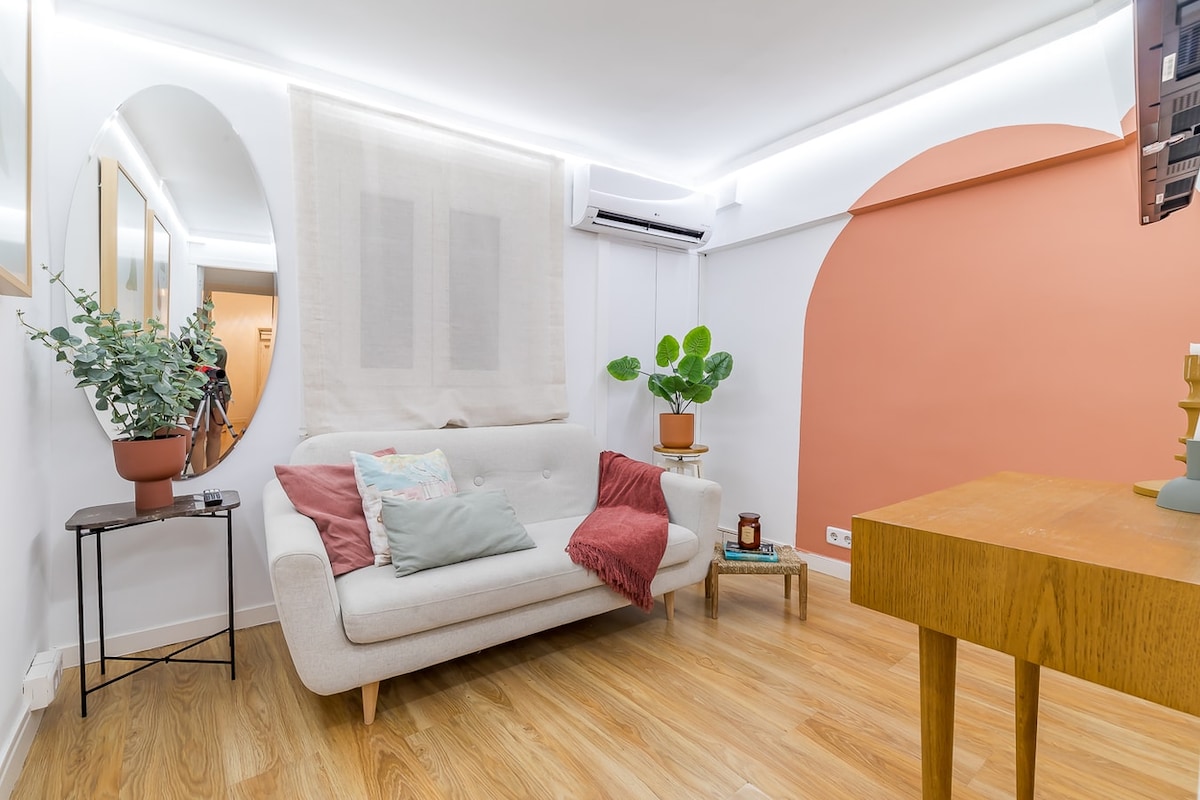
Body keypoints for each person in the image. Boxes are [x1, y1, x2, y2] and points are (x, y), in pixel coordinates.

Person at [185, 341, 232, 474]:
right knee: (197, 434)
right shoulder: (185, 346)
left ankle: (212, 473)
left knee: (216, 431)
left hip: (218, 388)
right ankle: (199, 475)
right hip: (192, 386)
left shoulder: (219, 350)